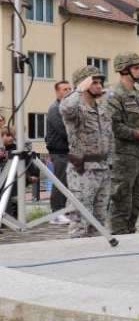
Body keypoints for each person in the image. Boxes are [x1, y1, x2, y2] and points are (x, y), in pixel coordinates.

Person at [106, 52, 139, 235]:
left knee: (137, 199)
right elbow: (115, 127)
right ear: (124, 70)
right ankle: (119, 233)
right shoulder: (114, 95)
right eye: (136, 68)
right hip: (124, 156)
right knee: (122, 197)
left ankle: (130, 231)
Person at [60, 66, 113, 238]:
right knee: (80, 220)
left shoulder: (102, 108)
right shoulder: (76, 108)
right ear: (84, 84)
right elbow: (66, 108)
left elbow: (109, 136)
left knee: (99, 220)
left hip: (103, 168)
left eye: (100, 82)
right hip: (83, 170)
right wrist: (79, 89)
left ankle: (95, 257)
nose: (99, 86)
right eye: (94, 82)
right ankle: (76, 257)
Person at [45, 80, 72, 224]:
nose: (68, 91)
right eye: (64, 89)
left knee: (67, 182)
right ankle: (56, 213)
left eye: (69, 88)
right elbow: (64, 131)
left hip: (68, 151)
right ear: (57, 92)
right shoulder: (55, 108)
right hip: (59, 151)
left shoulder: (67, 107)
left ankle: (64, 210)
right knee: (60, 181)